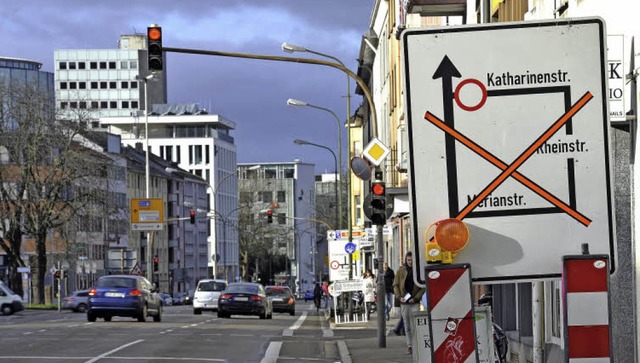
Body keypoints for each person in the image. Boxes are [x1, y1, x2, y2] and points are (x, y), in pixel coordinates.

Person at [393, 251, 425, 355]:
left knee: (415, 325)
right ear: (406, 260)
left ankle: (417, 345)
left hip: (414, 302)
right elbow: (396, 285)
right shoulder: (401, 271)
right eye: (409, 260)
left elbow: (422, 287)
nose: (410, 262)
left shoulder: (418, 271)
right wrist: (399, 297)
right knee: (407, 326)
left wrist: (416, 298)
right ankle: (410, 346)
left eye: (412, 260)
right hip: (404, 302)